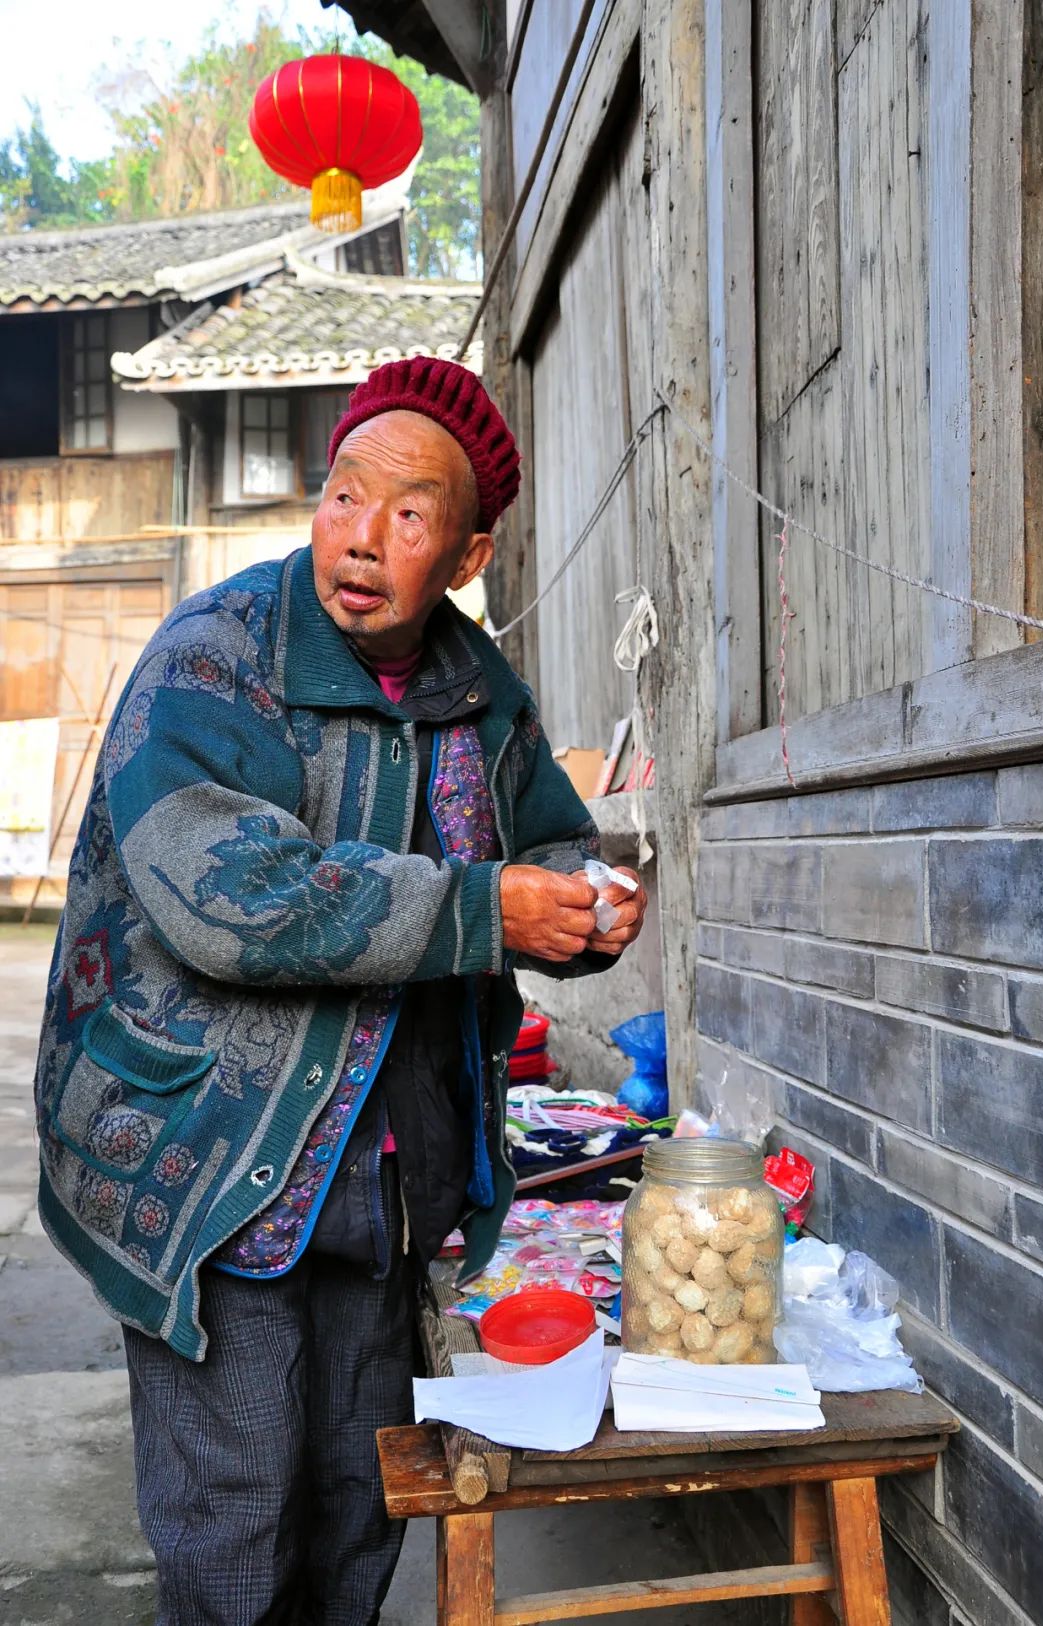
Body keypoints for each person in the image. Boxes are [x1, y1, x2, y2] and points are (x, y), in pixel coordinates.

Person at [34, 357, 647, 1626]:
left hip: (387, 1180)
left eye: (410, 515)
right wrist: (483, 908)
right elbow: (230, 895)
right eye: (345, 495)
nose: (362, 538)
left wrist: (585, 907)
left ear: (468, 554)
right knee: (238, 1528)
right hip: (213, 1166)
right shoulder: (215, 655)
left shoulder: (479, 690)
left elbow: (547, 843)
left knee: (358, 1507)